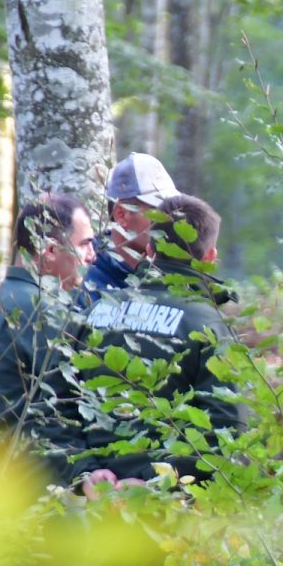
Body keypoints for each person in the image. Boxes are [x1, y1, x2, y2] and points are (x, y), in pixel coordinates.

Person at [77, 194, 245, 493]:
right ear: (210, 256)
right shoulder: (208, 327)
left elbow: (57, 408)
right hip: (171, 515)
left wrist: (85, 473)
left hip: (91, 502)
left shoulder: (95, 313)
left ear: (150, 249)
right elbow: (228, 432)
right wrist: (154, 481)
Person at [0, 193, 96, 473]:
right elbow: (67, 407)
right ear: (50, 251)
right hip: (30, 484)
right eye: (85, 244)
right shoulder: (42, 309)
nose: (92, 255)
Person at [83, 152, 179, 302]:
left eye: (172, 211)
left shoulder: (174, 273)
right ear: (121, 215)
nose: (170, 219)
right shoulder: (84, 278)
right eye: (160, 212)